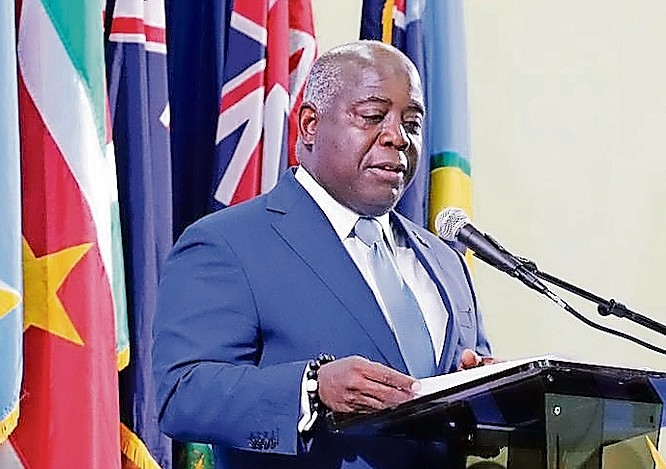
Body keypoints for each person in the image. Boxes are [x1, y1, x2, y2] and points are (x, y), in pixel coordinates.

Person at [153, 40, 492, 468]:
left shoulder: (444, 260)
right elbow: (182, 393)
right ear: (310, 124)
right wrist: (311, 389)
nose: (397, 137)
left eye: (412, 123)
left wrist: (489, 387)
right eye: (373, 117)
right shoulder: (227, 244)